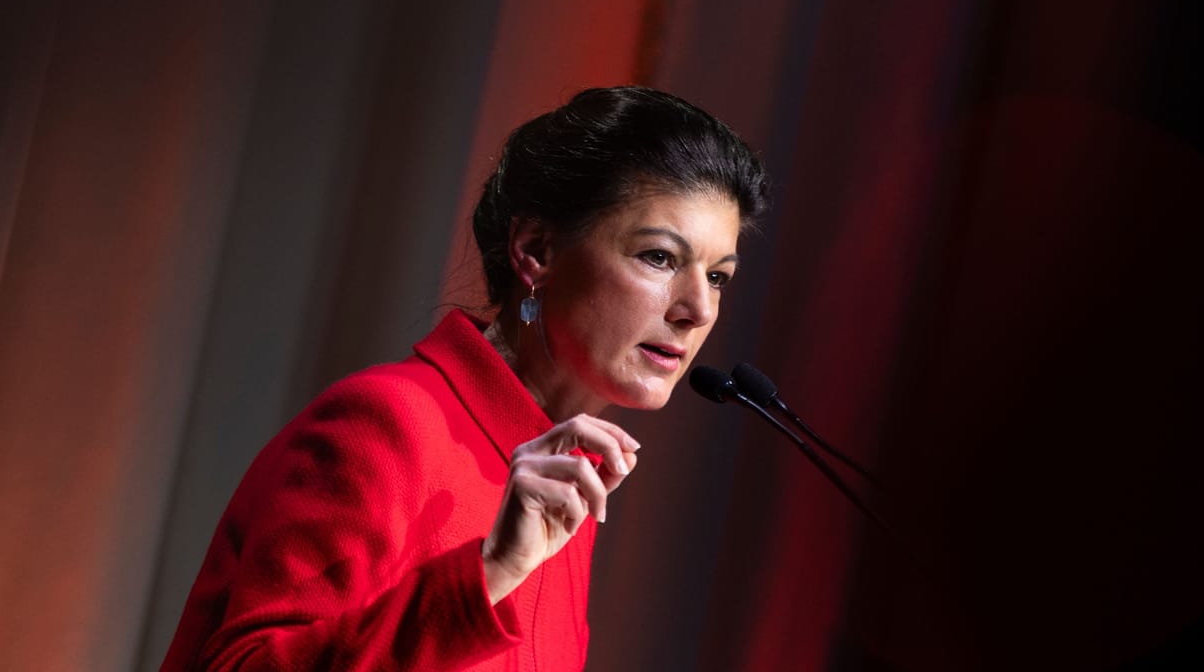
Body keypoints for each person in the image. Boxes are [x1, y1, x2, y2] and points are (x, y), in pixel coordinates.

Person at [159, 86, 770, 671]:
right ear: (536, 250)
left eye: (718, 276)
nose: (698, 309)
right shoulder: (389, 423)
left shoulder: (567, 478)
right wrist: (490, 573)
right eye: (659, 257)